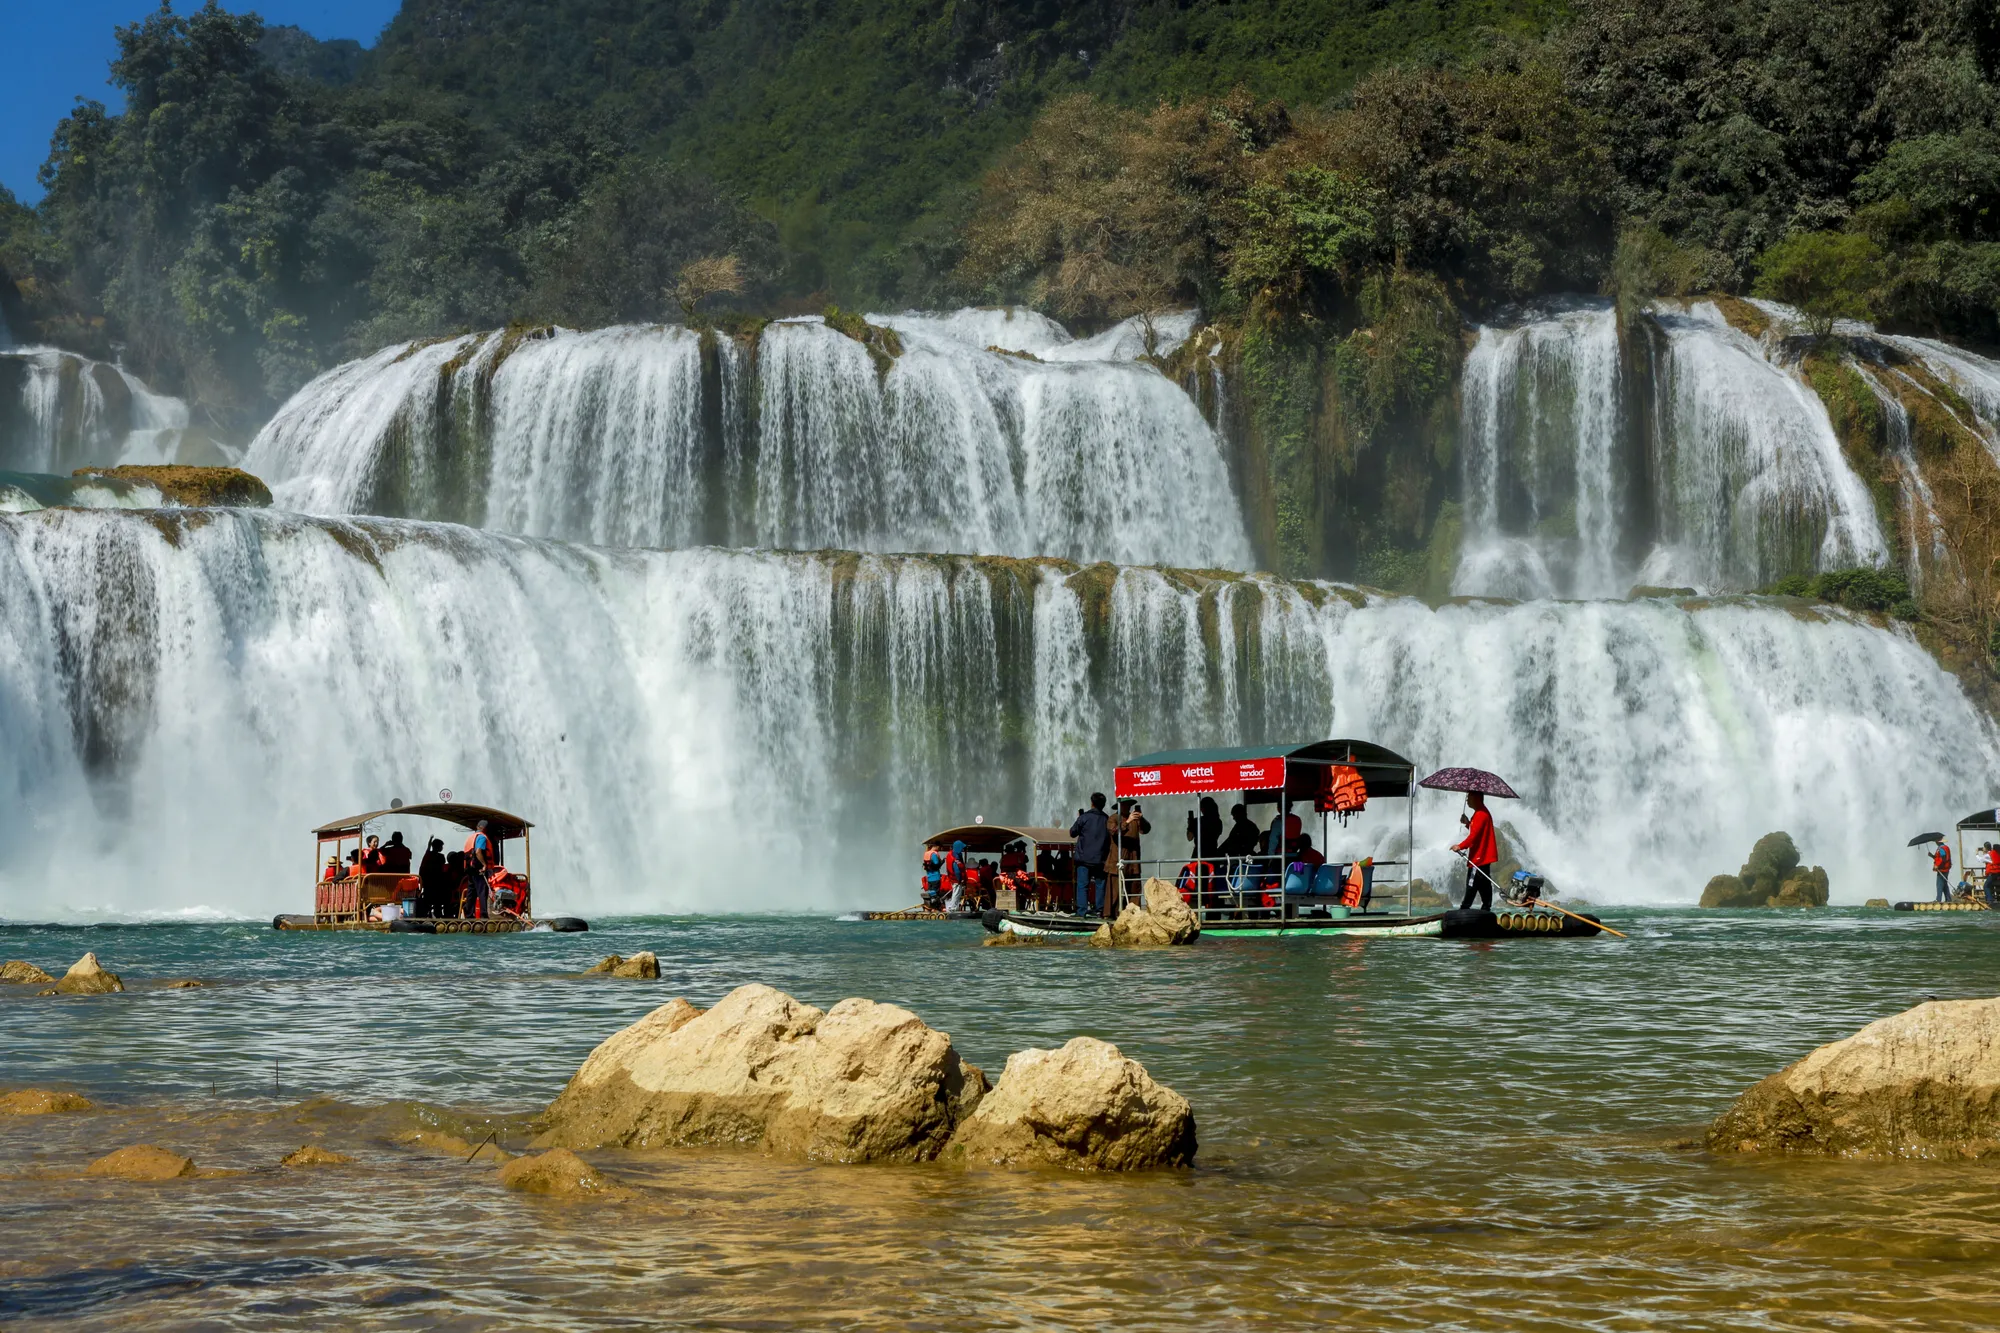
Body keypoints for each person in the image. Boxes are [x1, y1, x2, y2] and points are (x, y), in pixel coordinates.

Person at [1453, 792, 1499, 912]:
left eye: (1469, 797)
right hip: (1484, 856)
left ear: (1477, 798)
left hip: (1479, 857)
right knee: (1484, 883)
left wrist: (1460, 846)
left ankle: (1464, 908)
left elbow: (1474, 836)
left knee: (1471, 884)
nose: (1467, 800)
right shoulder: (1481, 812)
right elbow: (1478, 831)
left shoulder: (1480, 815)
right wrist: (1468, 823)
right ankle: (1486, 908)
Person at [1070, 793, 1112, 917]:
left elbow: (1072, 832)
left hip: (1084, 859)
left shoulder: (1084, 818)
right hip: (1100, 859)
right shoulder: (1107, 819)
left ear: (1092, 803)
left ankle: (1081, 912)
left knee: (1082, 886)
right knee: (1100, 885)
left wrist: (1079, 818)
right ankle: (1099, 910)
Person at [1115, 800, 1152, 906]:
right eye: (1124, 805)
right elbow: (1113, 832)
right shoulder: (1114, 818)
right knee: (1117, 888)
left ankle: (1134, 910)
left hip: (1134, 858)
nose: (1127, 807)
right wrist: (1127, 821)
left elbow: (1146, 830)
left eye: (1128, 805)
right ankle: (1116, 912)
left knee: (1134, 886)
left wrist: (1141, 818)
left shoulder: (1136, 820)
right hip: (1119, 859)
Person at [418, 838, 448, 917]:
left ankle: (425, 914)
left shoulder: (428, 855)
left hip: (427, 883)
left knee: (427, 900)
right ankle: (438, 914)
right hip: (438, 883)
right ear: (439, 847)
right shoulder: (441, 857)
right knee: (439, 899)